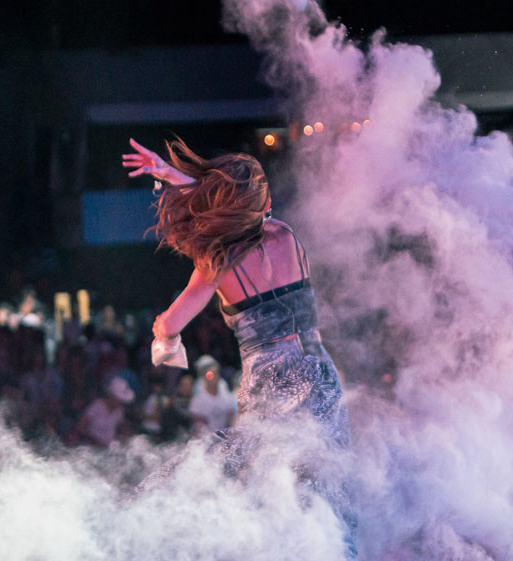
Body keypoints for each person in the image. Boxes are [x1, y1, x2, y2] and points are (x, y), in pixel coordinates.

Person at [123, 137, 356, 558]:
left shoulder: (215, 265)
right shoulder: (286, 235)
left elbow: (170, 324)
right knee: (324, 495)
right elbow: (240, 208)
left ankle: (135, 531)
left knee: (252, 490)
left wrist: (164, 336)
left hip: (273, 386)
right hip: (321, 378)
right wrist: (174, 175)